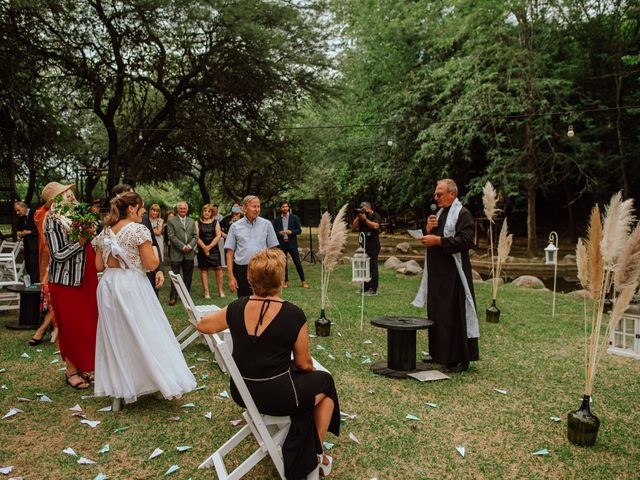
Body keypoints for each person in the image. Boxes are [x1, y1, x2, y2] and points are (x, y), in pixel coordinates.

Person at [197, 249, 339, 478]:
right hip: (279, 397)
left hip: (242, 392)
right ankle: (315, 453)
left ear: (250, 279)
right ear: (280, 279)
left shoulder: (236, 307)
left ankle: (309, 448)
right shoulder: (293, 314)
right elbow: (303, 364)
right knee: (326, 382)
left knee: (304, 383)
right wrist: (308, 371)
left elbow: (203, 326)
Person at [92, 192, 196, 406]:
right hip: (131, 286)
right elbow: (150, 264)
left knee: (116, 336)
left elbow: (98, 267)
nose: (144, 211)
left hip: (108, 286)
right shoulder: (138, 230)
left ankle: (122, 387)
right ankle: (156, 379)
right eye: (141, 207)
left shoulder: (105, 232)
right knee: (146, 330)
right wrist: (156, 258)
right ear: (131, 208)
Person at [412, 178, 480, 373]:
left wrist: (438, 240)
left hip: (454, 275)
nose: (436, 197)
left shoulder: (463, 214)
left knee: (453, 315)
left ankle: (459, 358)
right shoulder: (440, 214)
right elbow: (433, 238)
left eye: (439, 194)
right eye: (436, 194)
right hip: (437, 274)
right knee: (438, 314)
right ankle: (439, 353)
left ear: (452, 194)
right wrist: (427, 231)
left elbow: (465, 241)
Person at [44, 184, 98, 390]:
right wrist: (81, 242)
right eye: (66, 194)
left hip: (86, 278)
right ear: (56, 200)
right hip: (66, 282)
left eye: (71, 193)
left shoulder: (76, 216)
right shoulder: (52, 220)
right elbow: (57, 255)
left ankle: (84, 366)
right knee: (71, 326)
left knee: (87, 324)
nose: (71, 196)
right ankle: (71, 371)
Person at [110, 185, 164, 296]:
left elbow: (154, 242)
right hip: (132, 279)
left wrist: (159, 270)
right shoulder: (108, 225)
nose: (143, 210)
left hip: (144, 275)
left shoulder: (143, 218)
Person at [225, 195, 279, 298]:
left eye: (258, 206)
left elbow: (273, 250)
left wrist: (273, 272)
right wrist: (231, 276)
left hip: (262, 268)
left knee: (263, 300)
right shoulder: (235, 226)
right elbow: (229, 253)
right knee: (244, 301)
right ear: (244, 208)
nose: (257, 209)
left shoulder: (267, 224)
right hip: (241, 270)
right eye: (254, 206)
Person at [29, 184, 62, 346]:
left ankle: (46, 330)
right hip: (52, 261)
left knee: (56, 298)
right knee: (53, 298)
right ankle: (45, 330)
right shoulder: (45, 215)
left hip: (60, 262)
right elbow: (47, 245)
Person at [167, 201, 197, 305]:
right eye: (181, 208)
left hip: (189, 253)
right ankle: (173, 297)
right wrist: (182, 246)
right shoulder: (171, 220)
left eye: (184, 209)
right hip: (176, 252)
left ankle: (186, 297)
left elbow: (195, 236)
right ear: (177, 209)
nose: (182, 210)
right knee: (175, 275)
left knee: (188, 276)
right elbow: (171, 236)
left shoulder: (192, 221)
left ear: (187, 210)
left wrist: (189, 246)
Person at [273, 200, 308, 289]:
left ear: (288, 207)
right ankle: (286, 282)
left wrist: (291, 231)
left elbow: (299, 230)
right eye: (283, 207)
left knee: (297, 262)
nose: (285, 208)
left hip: (292, 244)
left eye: (286, 206)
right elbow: (274, 232)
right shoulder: (277, 220)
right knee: (284, 264)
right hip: (282, 244)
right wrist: (279, 233)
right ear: (280, 208)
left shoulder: (294, 218)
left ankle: (303, 281)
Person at [352, 201, 381, 295]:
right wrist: (359, 215)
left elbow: (376, 226)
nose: (362, 209)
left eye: (363, 208)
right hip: (363, 245)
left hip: (373, 245)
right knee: (365, 267)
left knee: (373, 267)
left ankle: (373, 288)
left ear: (368, 207)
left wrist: (365, 220)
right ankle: (366, 287)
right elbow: (354, 225)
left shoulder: (375, 215)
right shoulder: (361, 216)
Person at [196, 204, 225, 298]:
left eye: (209, 211)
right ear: (202, 212)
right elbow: (196, 237)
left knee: (218, 269)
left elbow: (218, 235)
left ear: (211, 212)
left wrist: (209, 247)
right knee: (204, 270)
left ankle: (220, 291)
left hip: (214, 250)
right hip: (202, 249)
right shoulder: (197, 223)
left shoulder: (216, 222)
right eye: (205, 211)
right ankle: (206, 293)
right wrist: (204, 247)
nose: (207, 213)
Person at [15, 201, 39, 283]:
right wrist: (20, 233)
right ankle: (32, 282)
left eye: (18, 210)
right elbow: (18, 230)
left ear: (24, 207)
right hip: (27, 244)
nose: (17, 212)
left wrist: (29, 232)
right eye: (16, 211)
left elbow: (40, 228)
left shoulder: (35, 213)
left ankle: (36, 282)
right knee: (28, 263)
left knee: (34, 263)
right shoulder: (21, 218)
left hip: (36, 243)